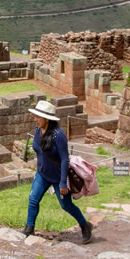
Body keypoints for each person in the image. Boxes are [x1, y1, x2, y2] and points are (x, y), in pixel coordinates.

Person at [24, 100, 93, 243]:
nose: (35, 119)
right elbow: (39, 152)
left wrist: (62, 183)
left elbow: (64, 159)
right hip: (42, 174)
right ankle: (29, 228)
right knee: (33, 200)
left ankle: (85, 225)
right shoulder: (37, 130)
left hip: (57, 177)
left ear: (46, 118)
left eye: (38, 117)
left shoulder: (58, 135)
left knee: (66, 206)